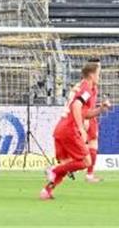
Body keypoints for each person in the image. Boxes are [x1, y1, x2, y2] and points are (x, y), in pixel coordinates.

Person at [40, 62, 109, 200]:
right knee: (85, 161)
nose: (99, 77)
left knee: (67, 165)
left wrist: (100, 109)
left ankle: (46, 191)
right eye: (98, 73)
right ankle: (53, 170)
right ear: (91, 74)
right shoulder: (86, 89)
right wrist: (81, 128)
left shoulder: (82, 87)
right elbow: (76, 106)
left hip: (61, 129)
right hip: (69, 130)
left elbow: (85, 113)